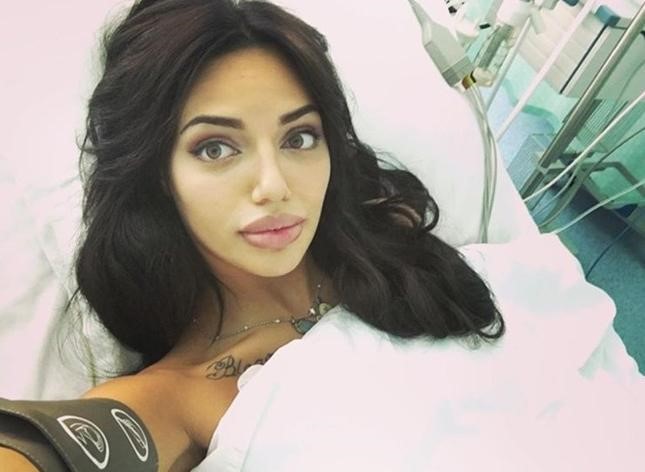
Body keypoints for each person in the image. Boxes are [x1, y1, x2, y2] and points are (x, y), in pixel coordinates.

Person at [0, 0, 504, 470]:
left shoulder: (395, 246)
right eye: (215, 148)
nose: (274, 185)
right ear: (158, 176)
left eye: (299, 138)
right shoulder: (175, 399)